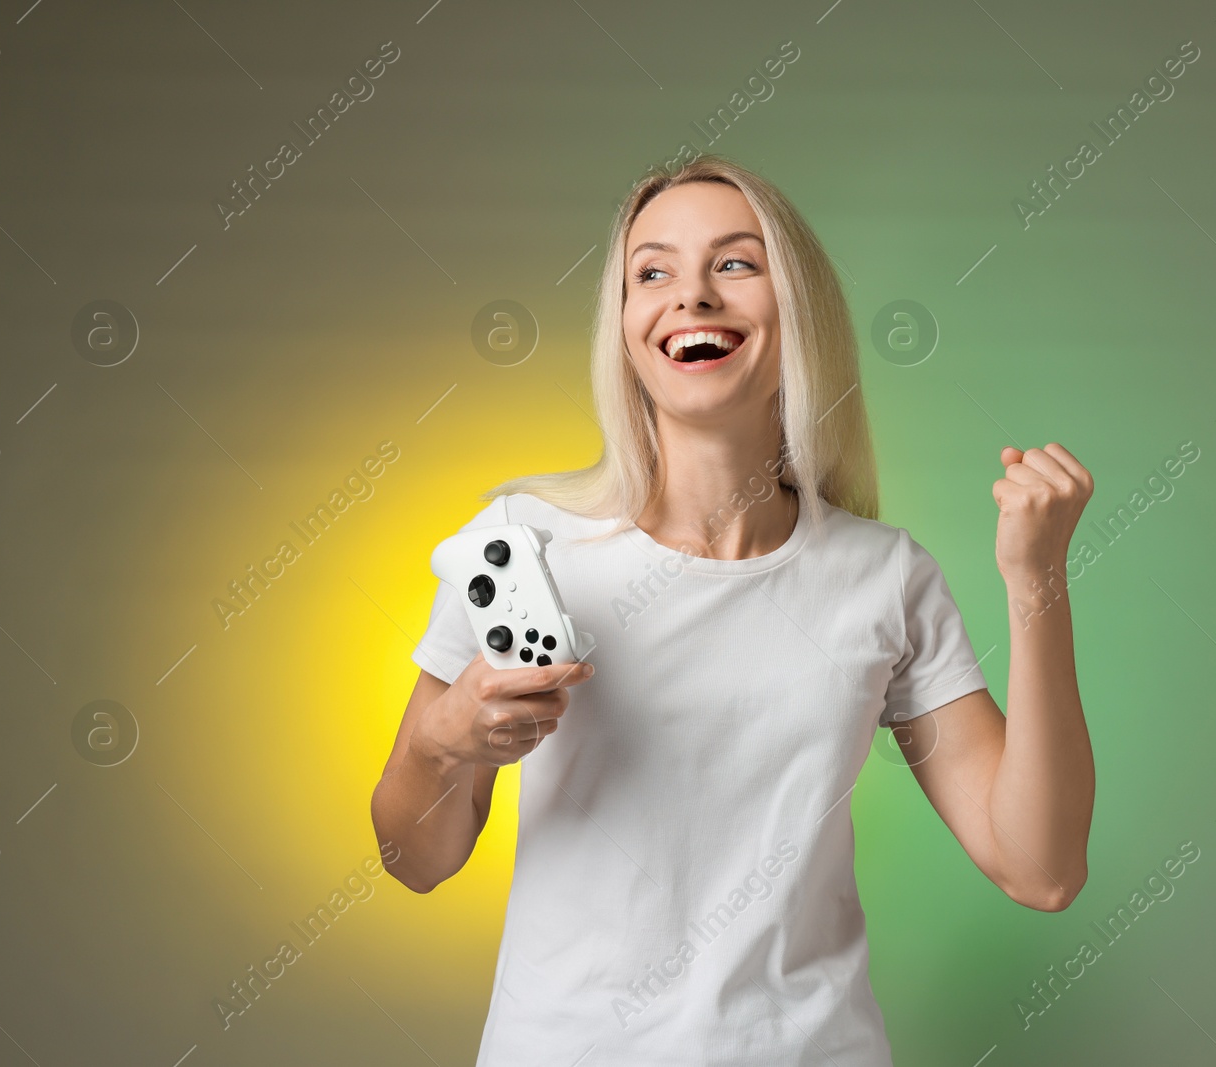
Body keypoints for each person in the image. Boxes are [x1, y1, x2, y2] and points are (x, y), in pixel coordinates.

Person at [369, 154, 1096, 1064]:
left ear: (796, 310)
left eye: (736, 264)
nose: (692, 296)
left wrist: (1037, 584)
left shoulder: (883, 577)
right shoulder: (520, 546)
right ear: (626, 326)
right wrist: (445, 742)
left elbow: (1042, 868)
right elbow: (418, 861)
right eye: (653, 272)